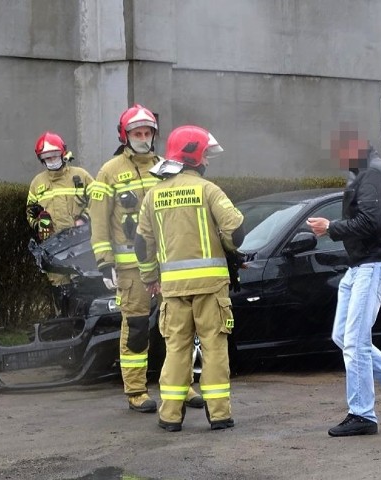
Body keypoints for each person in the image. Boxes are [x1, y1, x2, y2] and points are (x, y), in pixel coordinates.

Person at [306, 126, 381, 436]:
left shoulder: (372, 175)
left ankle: (362, 415)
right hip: (362, 266)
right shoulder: (365, 173)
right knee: (345, 338)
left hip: (373, 264)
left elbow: (369, 223)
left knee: (355, 341)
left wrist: (330, 227)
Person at [88, 104, 203, 413]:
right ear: (125, 136)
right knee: (137, 327)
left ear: (155, 134)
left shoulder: (168, 167)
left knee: (178, 327)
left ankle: (181, 385)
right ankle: (136, 390)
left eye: (147, 132)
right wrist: (104, 261)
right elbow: (98, 220)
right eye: (136, 132)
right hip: (130, 268)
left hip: (168, 265)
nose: (142, 137)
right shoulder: (109, 171)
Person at [135, 125, 244, 432]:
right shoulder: (208, 190)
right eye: (206, 155)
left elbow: (142, 245)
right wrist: (232, 252)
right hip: (211, 289)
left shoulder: (153, 196)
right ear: (194, 155)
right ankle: (219, 414)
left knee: (177, 349)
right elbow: (235, 231)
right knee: (213, 348)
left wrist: (148, 278)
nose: (208, 161)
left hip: (172, 289)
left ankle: (170, 415)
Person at [26, 131, 94, 316]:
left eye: (54, 156)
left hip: (80, 244)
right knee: (59, 287)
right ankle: (64, 324)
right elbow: (30, 211)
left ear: (63, 154)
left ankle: (85, 322)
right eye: (47, 157)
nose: (51, 160)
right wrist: (39, 221)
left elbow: (99, 201)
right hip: (53, 246)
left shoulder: (80, 176)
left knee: (82, 284)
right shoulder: (37, 183)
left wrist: (84, 218)